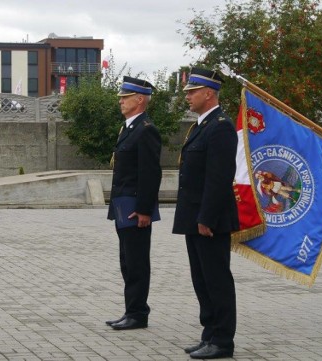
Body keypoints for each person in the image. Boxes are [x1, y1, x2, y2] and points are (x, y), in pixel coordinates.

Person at [173, 68, 239, 359]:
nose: (187, 96)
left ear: (209, 93)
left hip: (209, 219)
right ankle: (209, 333)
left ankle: (223, 340)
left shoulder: (221, 126)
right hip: (194, 216)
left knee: (216, 280)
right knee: (201, 280)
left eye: (192, 91)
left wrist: (206, 218)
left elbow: (219, 178)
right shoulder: (201, 125)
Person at [106, 76, 162, 331]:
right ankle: (131, 310)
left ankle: (138, 313)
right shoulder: (129, 128)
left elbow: (150, 174)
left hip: (135, 208)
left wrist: (144, 210)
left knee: (137, 262)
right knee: (126, 261)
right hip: (122, 204)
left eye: (125, 96)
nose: (120, 100)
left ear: (139, 100)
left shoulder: (146, 129)